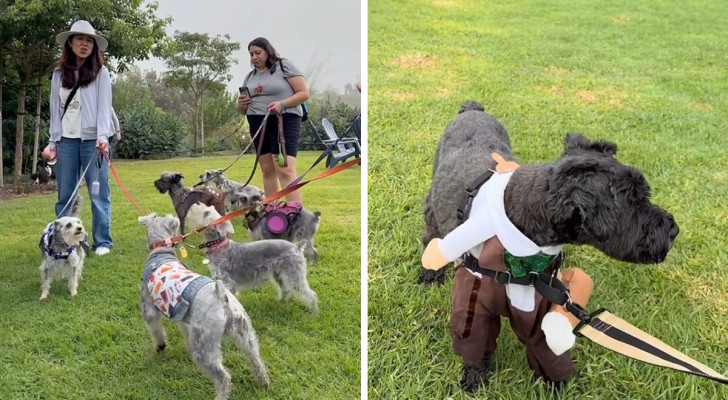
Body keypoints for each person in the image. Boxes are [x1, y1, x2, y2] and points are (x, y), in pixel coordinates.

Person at [44, 20, 113, 256]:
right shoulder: (58, 74)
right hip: (65, 142)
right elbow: (55, 109)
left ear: (94, 46)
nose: (84, 44)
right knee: (66, 195)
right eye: (80, 39)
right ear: (70, 43)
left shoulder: (100, 73)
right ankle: (64, 241)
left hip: (93, 143)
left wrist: (103, 136)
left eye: (89, 40)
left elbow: (105, 108)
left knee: (98, 193)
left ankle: (102, 241)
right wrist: (53, 141)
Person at [237, 37, 310, 204]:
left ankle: (295, 212)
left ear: (267, 51)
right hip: (257, 123)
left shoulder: (284, 67)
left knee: (285, 170)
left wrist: (282, 104)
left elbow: (304, 93)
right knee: (267, 170)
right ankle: (272, 209)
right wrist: (240, 104)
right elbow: (241, 110)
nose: (254, 57)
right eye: (251, 54)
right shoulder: (250, 77)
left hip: (283, 120)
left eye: (258, 52)